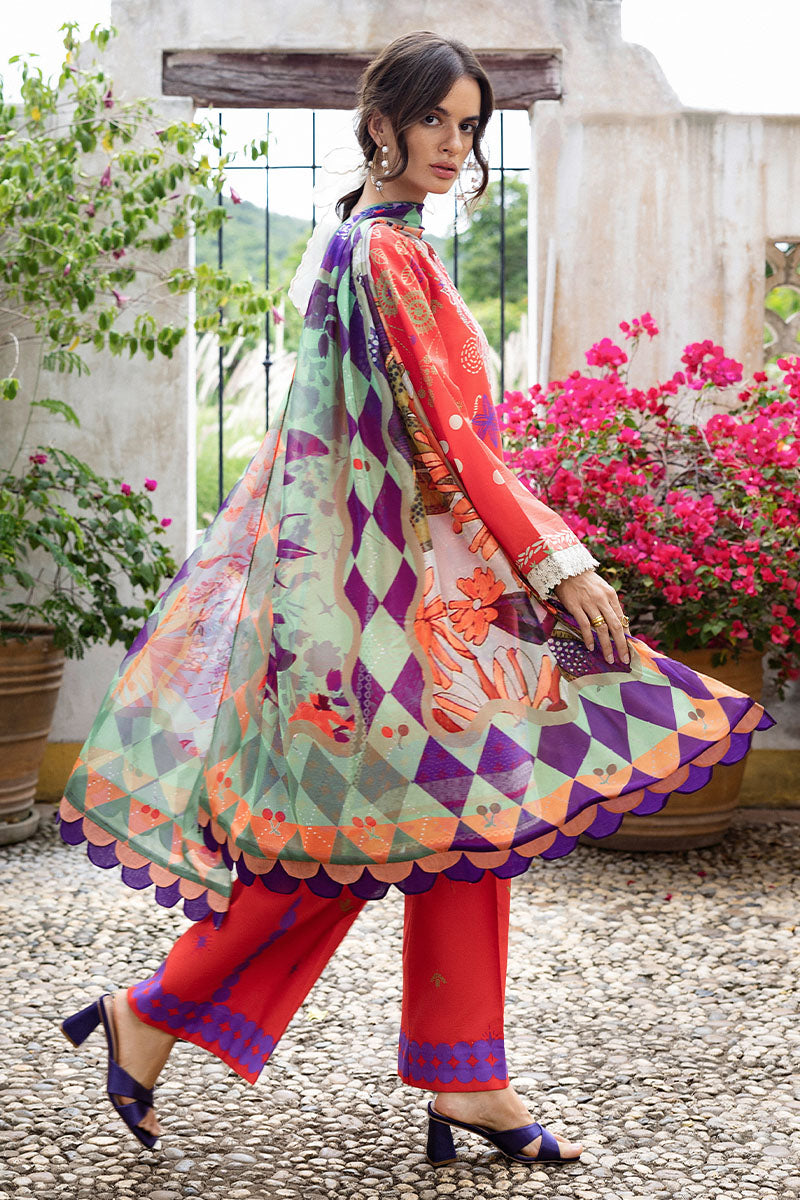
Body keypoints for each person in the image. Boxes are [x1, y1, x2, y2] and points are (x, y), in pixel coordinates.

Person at [58, 30, 773, 1169]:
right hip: (380, 612)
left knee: (450, 822)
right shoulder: (380, 253)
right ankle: (161, 1012)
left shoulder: (368, 244)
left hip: (418, 598)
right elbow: (451, 439)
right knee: (351, 831)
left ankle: (461, 1075)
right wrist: (559, 562)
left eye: (470, 125)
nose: (453, 144)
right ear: (381, 124)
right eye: (434, 119)